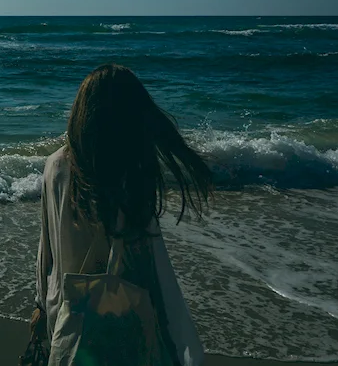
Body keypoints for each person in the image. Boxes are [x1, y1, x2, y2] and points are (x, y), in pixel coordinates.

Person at [27, 63, 213, 366]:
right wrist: (167, 326)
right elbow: (147, 259)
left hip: (65, 314)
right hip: (121, 315)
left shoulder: (55, 166)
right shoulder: (128, 173)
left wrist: (38, 303)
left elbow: (45, 245)